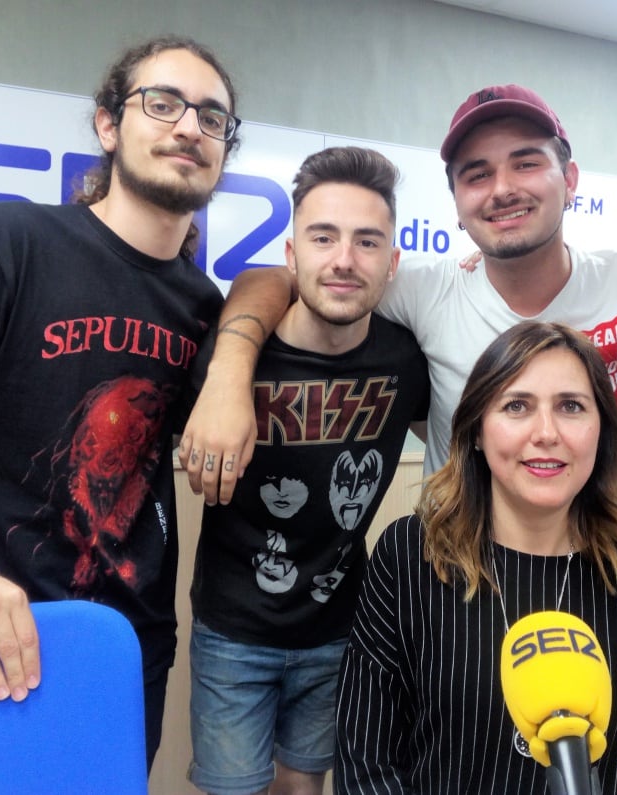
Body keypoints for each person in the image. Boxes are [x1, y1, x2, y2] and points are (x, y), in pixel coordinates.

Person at [179, 83, 617, 507]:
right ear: (457, 202)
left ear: (570, 180)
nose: (504, 189)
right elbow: (281, 278)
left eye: (527, 163)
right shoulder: (424, 292)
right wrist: (229, 373)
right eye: (477, 173)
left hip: (589, 583)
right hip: (450, 586)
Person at [0, 34, 262, 767]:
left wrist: (231, 364)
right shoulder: (10, 240)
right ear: (109, 124)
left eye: (212, 116)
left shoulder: (203, 304)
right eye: (162, 102)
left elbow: (282, 285)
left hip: (120, 652)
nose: (189, 126)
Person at [334, 320, 617, 793]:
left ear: (601, 431)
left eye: (571, 407)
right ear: (476, 431)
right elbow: (366, 762)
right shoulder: (409, 555)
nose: (547, 433)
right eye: (517, 406)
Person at [187, 146, 429, 795]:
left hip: (340, 630)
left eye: (367, 241)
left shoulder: (407, 360)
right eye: (323, 237)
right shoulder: (232, 354)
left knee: (304, 790)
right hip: (233, 632)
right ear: (291, 256)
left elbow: (461, 441)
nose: (344, 259)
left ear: (392, 262)